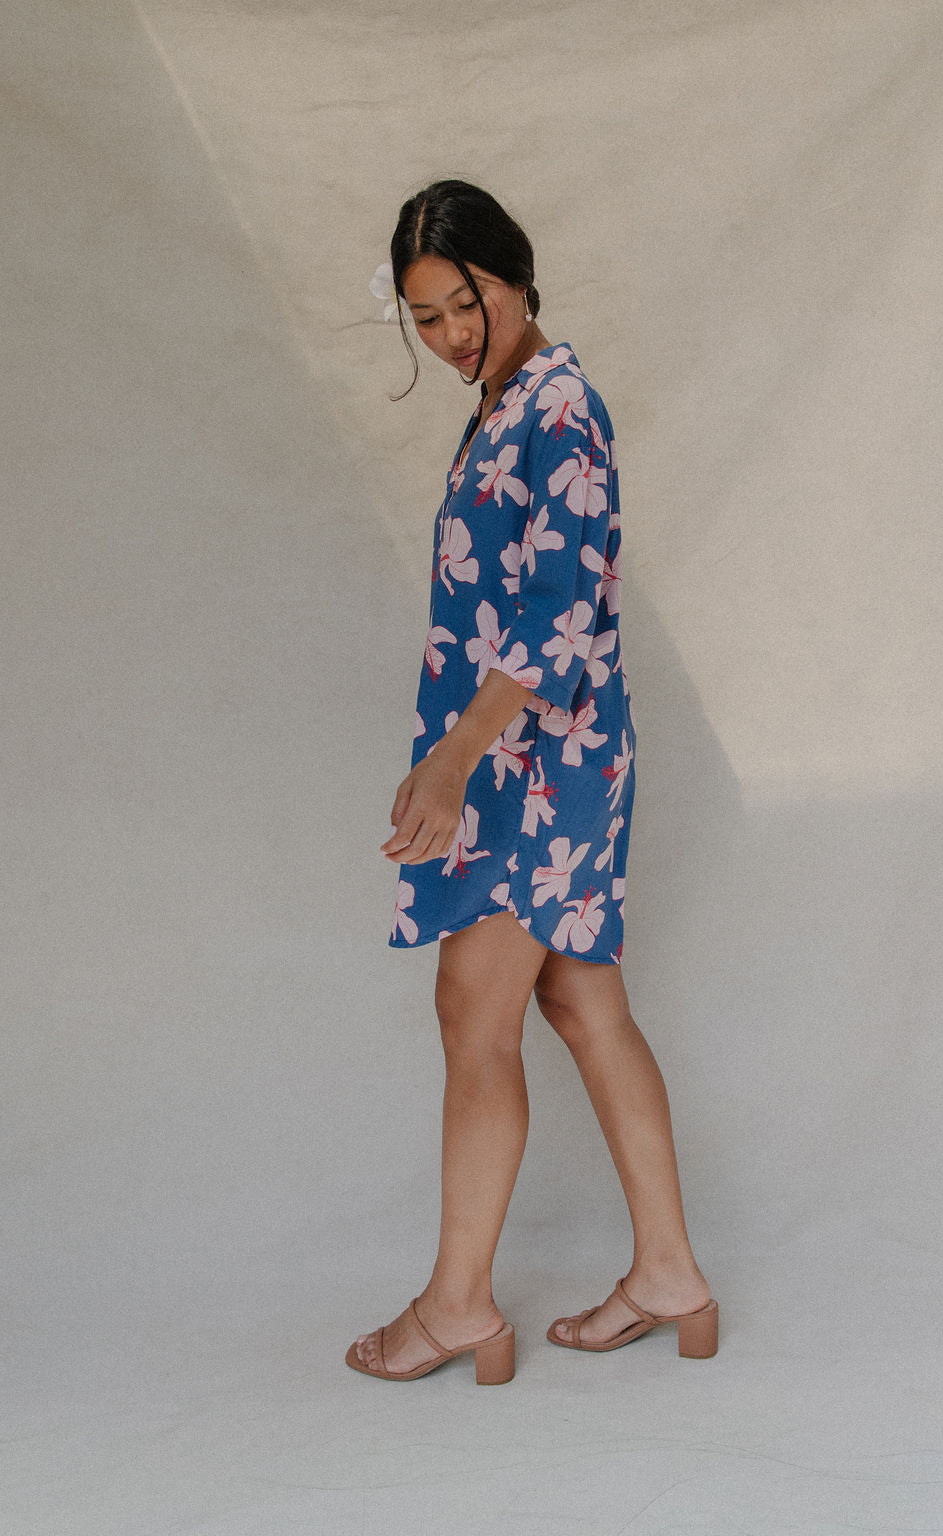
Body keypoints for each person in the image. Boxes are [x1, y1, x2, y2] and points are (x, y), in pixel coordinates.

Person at [347, 181, 715, 1384]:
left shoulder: (558, 409)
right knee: (580, 1002)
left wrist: (452, 760)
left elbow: (556, 616)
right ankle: (669, 1274)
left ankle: (457, 1305)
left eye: (470, 303)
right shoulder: (506, 405)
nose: (453, 333)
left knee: (474, 1010)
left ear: (515, 276)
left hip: (534, 767)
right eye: (426, 317)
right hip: (539, 758)